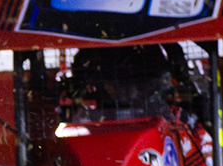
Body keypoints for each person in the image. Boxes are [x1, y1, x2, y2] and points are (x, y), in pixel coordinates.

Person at [64, 44, 201, 124]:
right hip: (110, 113)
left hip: (151, 98)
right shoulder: (97, 40)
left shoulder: (150, 31)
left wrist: (184, 78)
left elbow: (173, 49)